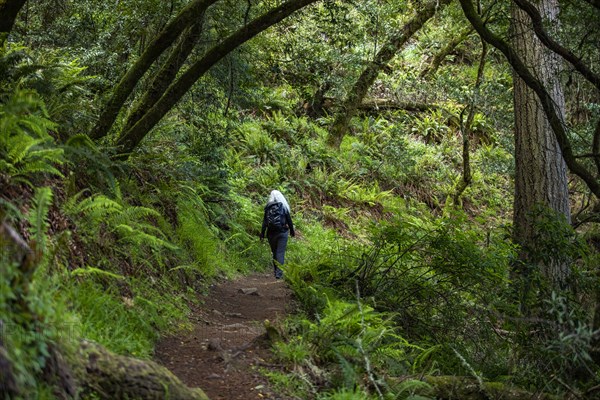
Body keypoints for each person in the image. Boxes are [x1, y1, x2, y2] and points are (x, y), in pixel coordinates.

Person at [260, 190, 295, 279]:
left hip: (271, 234)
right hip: (282, 232)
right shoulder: (283, 206)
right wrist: (292, 231)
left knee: (275, 252)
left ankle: (276, 271)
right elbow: (289, 221)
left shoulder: (268, 207)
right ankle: (279, 274)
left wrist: (262, 234)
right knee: (280, 252)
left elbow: (264, 223)